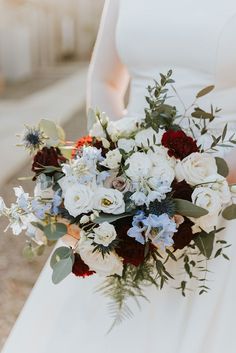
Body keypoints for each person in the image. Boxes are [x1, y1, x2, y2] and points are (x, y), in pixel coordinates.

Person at [2, 1, 236, 352]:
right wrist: (117, 166)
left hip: (219, 198)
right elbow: (104, 80)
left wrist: (197, 186)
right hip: (125, 200)